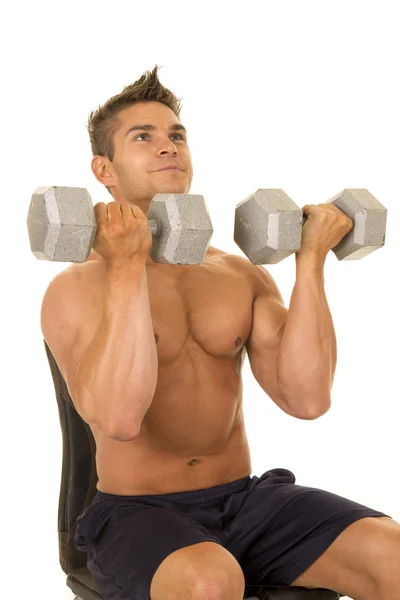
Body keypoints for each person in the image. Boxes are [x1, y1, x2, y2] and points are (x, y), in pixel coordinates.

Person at [41, 66, 398, 600]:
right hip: (136, 515)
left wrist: (310, 262)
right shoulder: (75, 288)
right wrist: (125, 268)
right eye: (144, 137)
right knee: (210, 580)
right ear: (104, 168)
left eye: (176, 136)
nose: (169, 148)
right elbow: (118, 417)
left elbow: (306, 399)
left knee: (391, 553)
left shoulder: (238, 274)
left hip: (246, 500)